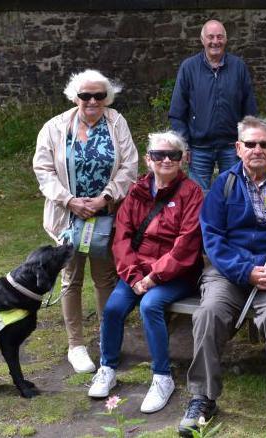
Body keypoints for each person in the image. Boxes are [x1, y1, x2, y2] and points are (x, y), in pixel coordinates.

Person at [178, 116, 266, 436]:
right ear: (238, 148)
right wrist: (244, 271)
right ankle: (202, 398)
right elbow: (212, 238)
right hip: (230, 272)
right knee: (209, 313)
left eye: (264, 144)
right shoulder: (223, 185)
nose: (257, 149)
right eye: (250, 144)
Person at [86, 131, 203, 414]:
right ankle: (107, 367)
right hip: (137, 271)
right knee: (113, 308)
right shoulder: (136, 191)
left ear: (183, 159)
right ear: (148, 159)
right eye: (159, 155)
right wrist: (135, 275)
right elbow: (122, 237)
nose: (166, 160)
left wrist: (153, 277)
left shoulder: (192, 193)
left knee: (151, 305)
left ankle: (162, 376)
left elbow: (186, 244)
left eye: (173, 155)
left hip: (175, 273)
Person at [33, 69, 138, 374]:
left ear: (107, 97)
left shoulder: (117, 122)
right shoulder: (54, 127)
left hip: (106, 214)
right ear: (74, 96)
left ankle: (108, 340)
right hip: (69, 216)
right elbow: (43, 169)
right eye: (85, 95)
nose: (92, 101)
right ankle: (76, 345)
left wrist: (105, 197)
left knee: (106, 279)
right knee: (71, 279)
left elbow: (130, 165)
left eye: (99, 95)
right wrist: (69, 201)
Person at [169, 19, 258, 190]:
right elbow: (177, 111)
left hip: (232, 146)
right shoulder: (189, 68)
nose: (215, 41)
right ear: (202, 40)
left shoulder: (238, 66)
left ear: (226, 39)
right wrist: (184, 144)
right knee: (197, 198)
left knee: (233, 193)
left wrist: (248, 141)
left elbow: (249, 109)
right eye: (210, 37)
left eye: (219, 37)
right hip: (199, 147)